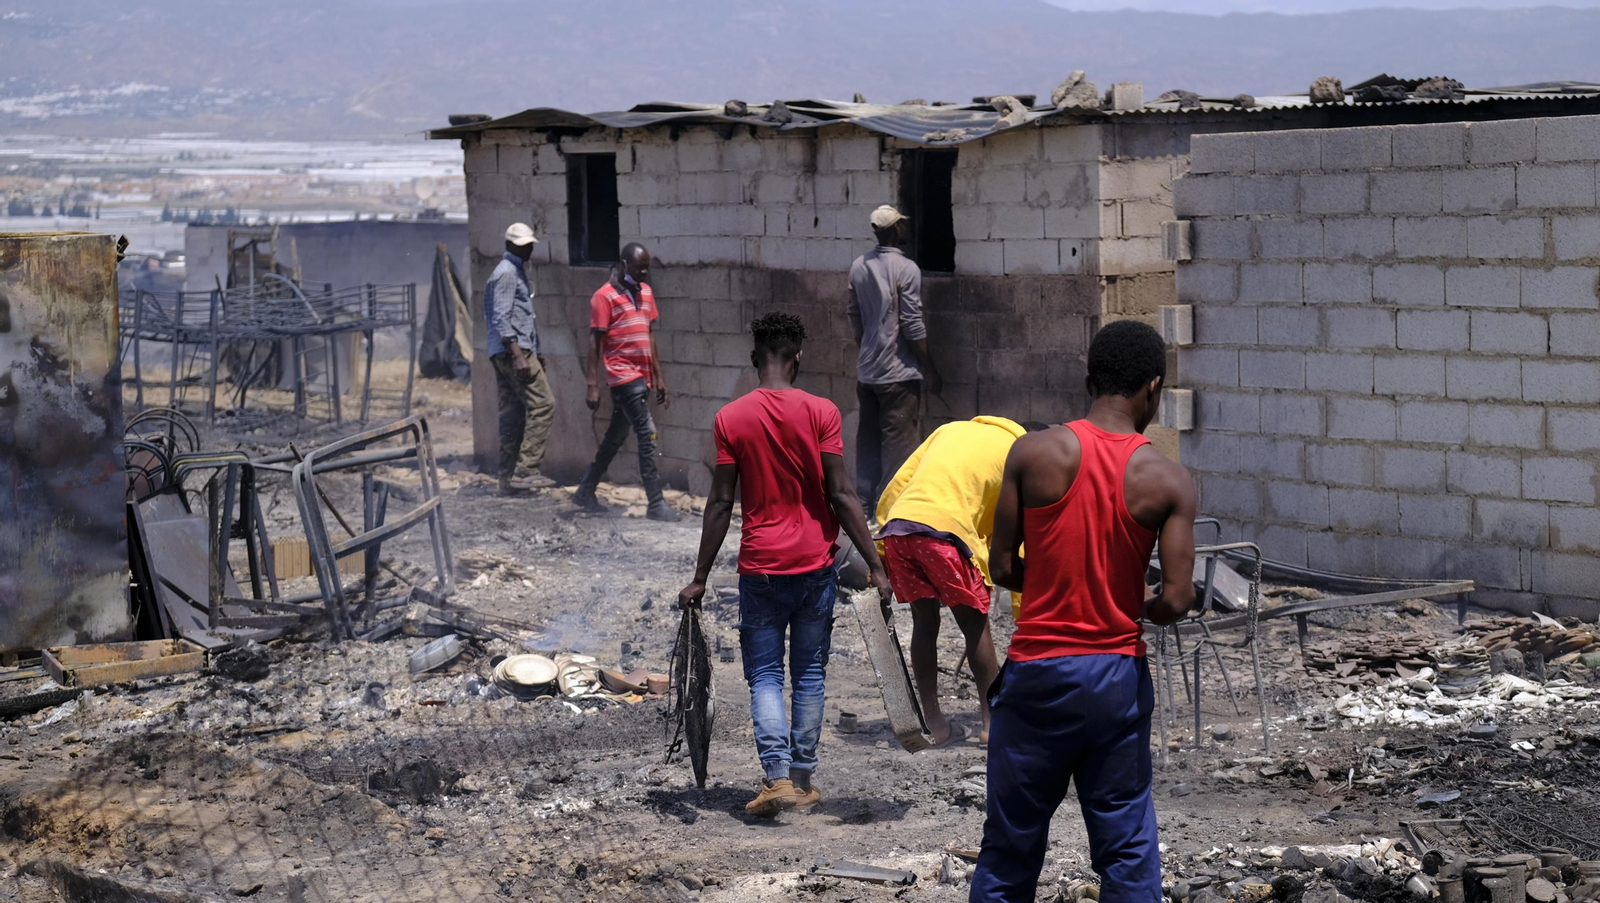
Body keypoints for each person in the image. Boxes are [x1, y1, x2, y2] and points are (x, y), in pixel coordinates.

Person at [970, 320, 1198, 903]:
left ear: (1088, 379)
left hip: (1037, 677)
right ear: (1152, 387)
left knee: (1010, 846)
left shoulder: (1032, 452)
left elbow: (1001, 566)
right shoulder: (1168, 479)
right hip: (1115, 679)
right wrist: (1135, 606)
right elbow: (1177, 599)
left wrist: (1053, 581)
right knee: (1127, 844)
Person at [678, 312, 891, 818]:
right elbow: (842, 493)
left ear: (755, 358)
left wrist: (700, 577)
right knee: (810, 672)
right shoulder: (822, 412)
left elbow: (720, 502)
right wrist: (876, 565)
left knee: (767, 675)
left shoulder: (731, 418)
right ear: (798, 358)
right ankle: (801, 780)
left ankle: (776, 778)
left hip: (761, 569)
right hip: (815, 566)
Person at [875, 416, 1045, 747]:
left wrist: (882, 547)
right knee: (975, 626)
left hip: (900, 529)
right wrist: (1024, 615)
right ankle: (992, 724)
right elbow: (1023, 540)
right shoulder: (1022, 453)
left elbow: (898, 484)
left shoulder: (949, 429)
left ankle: (935, 725)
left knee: (925, 622)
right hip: (946, 534)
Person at [847, 204, 942, 515]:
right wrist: (929, 369)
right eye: (902, 224)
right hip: (898, 374)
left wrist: (867, 350)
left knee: (868, 440)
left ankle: (863, 504)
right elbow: (912, 324)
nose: (906, 228)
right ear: (894, 229)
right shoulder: (907, 269)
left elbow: (854, 317)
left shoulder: (859, 266)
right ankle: (890, 510)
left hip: (868, 373)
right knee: (898, 445)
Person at [573, 242, 678, 521]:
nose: (644, 272)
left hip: (642, 377)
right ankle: (655, 503)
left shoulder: (646, 292)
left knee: (615, 438)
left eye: (646, 268)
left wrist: (659, 377)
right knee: (647, 433)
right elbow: (594, 343)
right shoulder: (603, 297)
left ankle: (585, 490)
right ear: (623, 264)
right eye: (639, 267)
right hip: (622, 376)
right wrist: (592, 385)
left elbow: (649, 335)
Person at [485, 222, 555, 496]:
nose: (527, 250)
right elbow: (501, 317)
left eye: (529, 246)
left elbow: (523, 317)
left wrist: (537, 351)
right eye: (522, 246)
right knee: (543, 404)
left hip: (510, 351)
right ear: (510, 245)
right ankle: (526, 470)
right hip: (514, 351)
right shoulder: (507, 273)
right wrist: (519, 355)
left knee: (512, 415)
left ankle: (506, 479)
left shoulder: (514, 271)